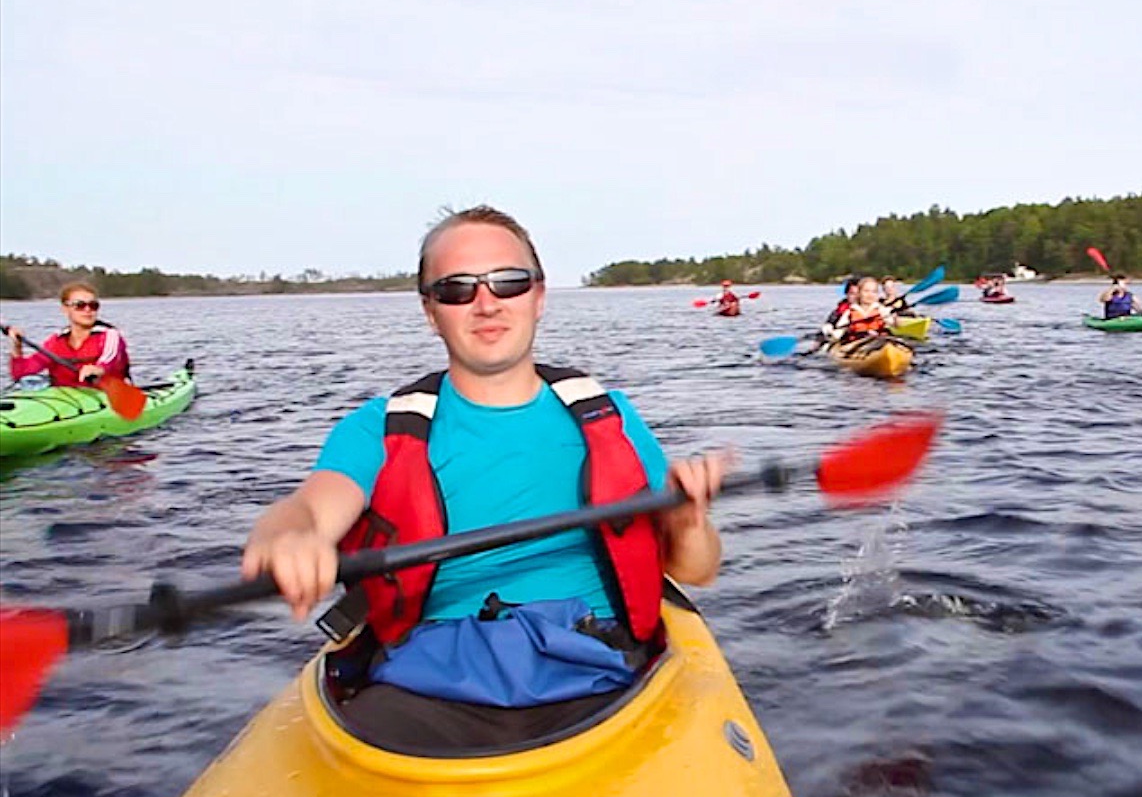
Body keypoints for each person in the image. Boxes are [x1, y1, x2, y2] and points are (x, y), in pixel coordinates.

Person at [239, 205, 731, 751]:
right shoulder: (379, 427)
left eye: (509, 282)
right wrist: (289, 537)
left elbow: (697, 569)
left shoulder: (607, 414)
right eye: (456, 289)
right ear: (431, 311)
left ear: (539, 297)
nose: (486, 302)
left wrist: (687, 522)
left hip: (603, 669)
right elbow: (309, 508)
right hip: (425, 685)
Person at [7, 282, 132, 388]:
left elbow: (109, 360)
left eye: (93, 305)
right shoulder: (55, 341)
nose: (88, 310)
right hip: (68, 402)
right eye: (80, 305)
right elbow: (21, 373)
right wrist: (17, 347)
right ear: (65, 309)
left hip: (105, 397)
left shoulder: (110, 335)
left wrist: (98, 369)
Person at [822, 276, 894, 349]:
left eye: (874, 292)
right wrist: (833, 335)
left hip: (879, 341)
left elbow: (892, 324)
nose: (870, 295)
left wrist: (895, 320)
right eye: (866, 291)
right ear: (859, 294)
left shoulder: (882, 310)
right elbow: (840, 329)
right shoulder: (850, 312)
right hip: (857, 343)